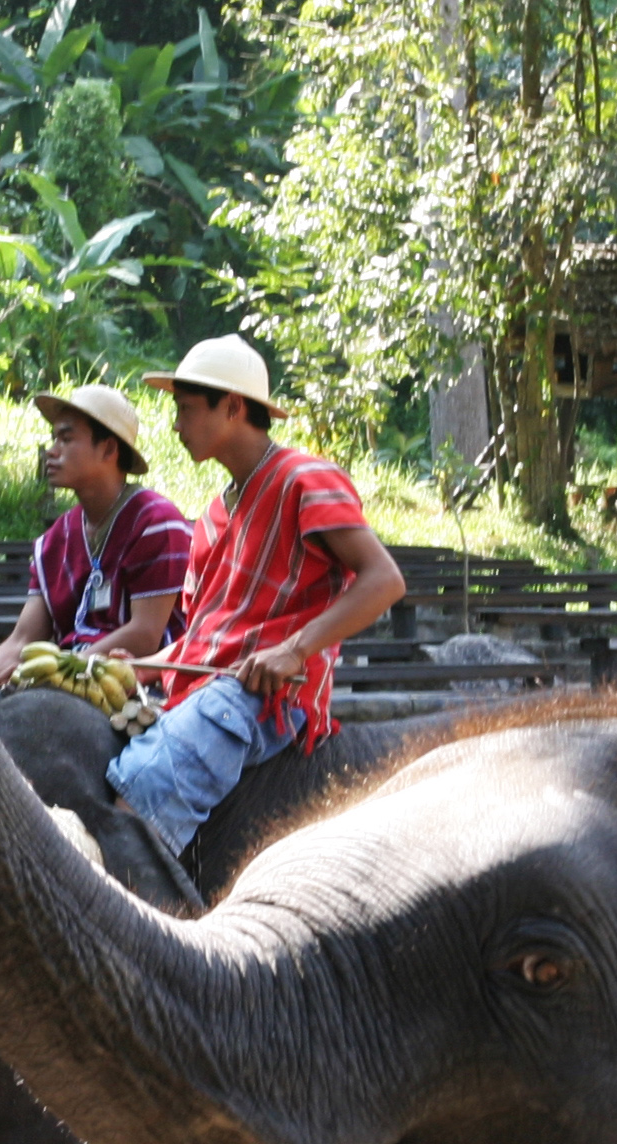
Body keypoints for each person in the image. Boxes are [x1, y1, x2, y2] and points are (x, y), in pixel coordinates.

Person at [107, 336, 405, 853]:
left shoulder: (305, 478)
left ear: (232, 407)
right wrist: (140, 668)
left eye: (185, 409)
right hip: (201, 693)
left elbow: (385, 580)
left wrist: (294, 650)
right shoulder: (209, 518)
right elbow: (202, 642)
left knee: (144, 788)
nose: (176, 425)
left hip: (263, 700)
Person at [0, 385, 191, 687]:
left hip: (137, 685)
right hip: (65, 680)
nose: (52, 451)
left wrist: (55, 672)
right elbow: (22, 639)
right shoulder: (54, 541)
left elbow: (145, 634)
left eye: (66, 439)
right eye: (54, 439)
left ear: (109, 449)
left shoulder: (157, 523)